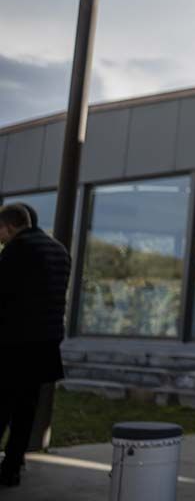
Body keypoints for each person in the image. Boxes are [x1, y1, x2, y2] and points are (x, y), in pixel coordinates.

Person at [0, 203, 71, 488]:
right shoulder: (59, 250)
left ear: (10, 226)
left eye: (0, 232)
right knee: (25, 409)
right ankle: (12, 467)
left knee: (2, 405)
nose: (1, 238)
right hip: (45, 344)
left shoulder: (18, 249)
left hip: (13, 342)